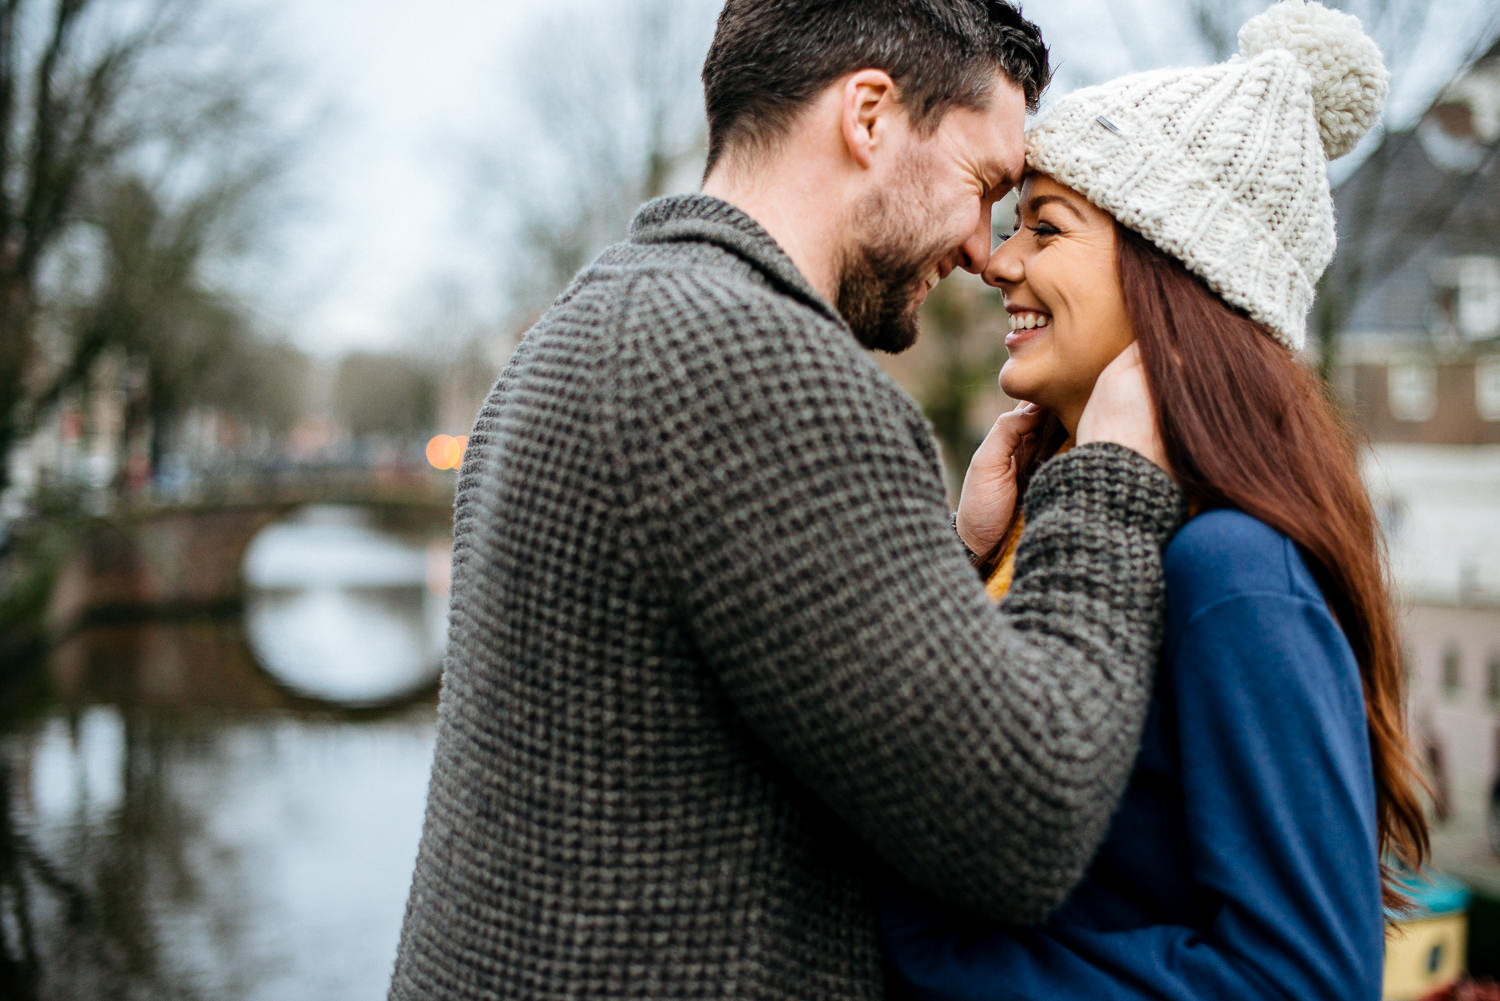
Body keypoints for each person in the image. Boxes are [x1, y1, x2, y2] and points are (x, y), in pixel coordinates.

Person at [388, 2, 1189, 999]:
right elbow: (1030, 818)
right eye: (983, 186)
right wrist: (1105, 481)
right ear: (869, 115)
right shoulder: (761, 364)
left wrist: (944, 557)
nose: (987, 255)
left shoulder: (582, 325)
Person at [876, 2, 1431, 999]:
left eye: (1045, 226)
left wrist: (926, 956)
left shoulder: (1232, 571)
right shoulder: (1060, 530)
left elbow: (1301, 977)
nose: (999, 261)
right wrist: (965, 564)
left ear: (1170, 273)